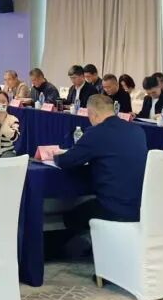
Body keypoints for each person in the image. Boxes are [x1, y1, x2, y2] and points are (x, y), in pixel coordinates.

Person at [55, 93, 147, 242]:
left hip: (112, 207)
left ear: (93, 114)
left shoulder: (96, 132)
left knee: (70, 217)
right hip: (139, 206)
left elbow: (67, 161)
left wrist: (54, 155)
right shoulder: (137, 131)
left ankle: (94, 244)